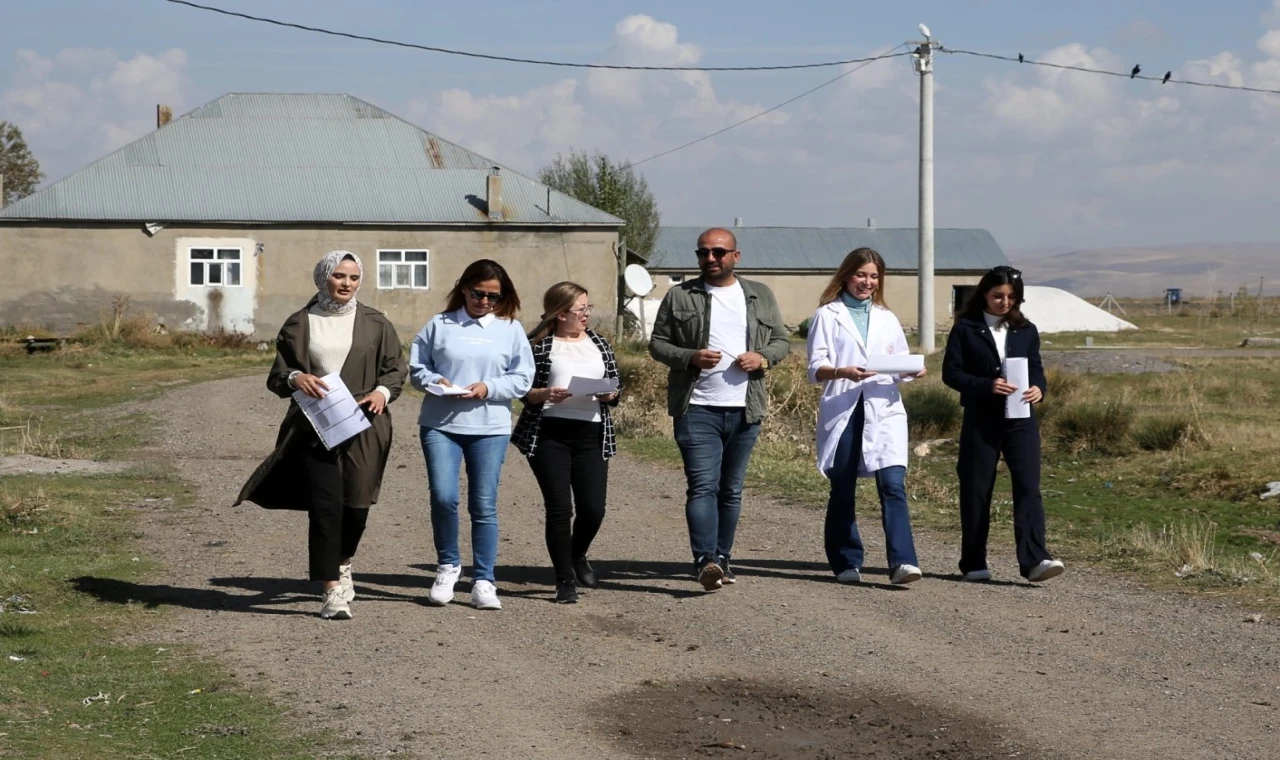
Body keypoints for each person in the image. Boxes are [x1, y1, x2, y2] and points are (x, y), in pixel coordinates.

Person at [235, 250, 407, 620]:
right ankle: (330, 590)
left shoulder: (377, 323)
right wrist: (296, 378)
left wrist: (382, 393)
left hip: (365, 422)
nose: (346, 283)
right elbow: (278, 376)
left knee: (357, 505)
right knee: (325, 505)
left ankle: (343, 562)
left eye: (354, 277)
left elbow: (395, 371)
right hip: (316, 424)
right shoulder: (299, 323)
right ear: (323, 277)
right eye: (339, 276)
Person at [648, 227, 791, 591]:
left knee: (730, 490)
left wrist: (762, 358)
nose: (710, 259)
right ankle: (704, 559)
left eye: (718, 252)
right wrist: (689, 357)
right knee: (702, 487)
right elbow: (658, 344)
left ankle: (722, 557)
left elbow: (781, 341)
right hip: (696, 408)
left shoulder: (759, 295)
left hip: (745, 410)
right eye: (703, 253)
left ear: (735, 257)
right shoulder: (680, 295)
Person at [408, 259, 534, 610]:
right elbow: (417, 367)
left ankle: (484, 579)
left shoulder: (511, 329)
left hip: (490, 426)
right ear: (464, 288)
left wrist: (488, 387)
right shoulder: (440, 324)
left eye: (494, 296)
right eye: (479, 294)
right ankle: (448, 565)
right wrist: (435, 381)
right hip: (441, 424)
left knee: (483, 503)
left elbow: (523, 377)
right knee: (444, 496)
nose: (485, 302)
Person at [805, 248, 927, 585]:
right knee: (842, 487)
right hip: (845, 407)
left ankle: (903, 561)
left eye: (874, 277)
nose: (867, 282)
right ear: (846, 275)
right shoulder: (827, 316)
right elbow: (815, 367)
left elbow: (899, 360)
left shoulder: (886, 317)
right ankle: (846, 561)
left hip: (883, 409)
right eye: (861, 275)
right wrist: (840, 371)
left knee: (892, 484)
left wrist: (912, 371)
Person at [941, 264, 1066, 583]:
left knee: (1028, 487)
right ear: (984, 293)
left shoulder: (1027, 330)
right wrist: (986, 385)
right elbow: (951, 374)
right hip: (981, 420)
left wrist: (1040, 387)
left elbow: (1036, 368)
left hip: (1021, 419)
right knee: (976, 490)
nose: (1004, 302)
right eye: (998, 295)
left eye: (1011, 297)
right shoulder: (965, 328)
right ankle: (973, 562)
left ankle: (1035, 559)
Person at [512, 282, 623, 604]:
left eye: (589, 308)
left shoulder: (599, 342)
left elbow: (617, 385)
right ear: (561, 314)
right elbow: (522, 390)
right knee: (560, 509)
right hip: (549, 435)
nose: (587, 315)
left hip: (592, 434)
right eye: (580, 310)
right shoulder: (538, 346)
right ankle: (564, 580)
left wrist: (611, 393)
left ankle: (577, 556)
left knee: (593, 510)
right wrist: (543, 394)